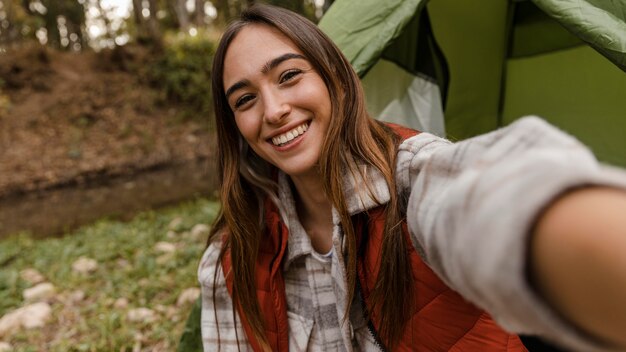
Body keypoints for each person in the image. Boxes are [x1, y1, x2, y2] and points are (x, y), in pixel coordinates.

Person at [197, 4, 626, 351]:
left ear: (336, 79)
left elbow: (492, 194)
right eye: (245, 99)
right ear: (234, 123)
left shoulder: (411, 176)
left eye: (289, 76)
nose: (273, 111)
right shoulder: (230, 260)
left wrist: (575, 229)